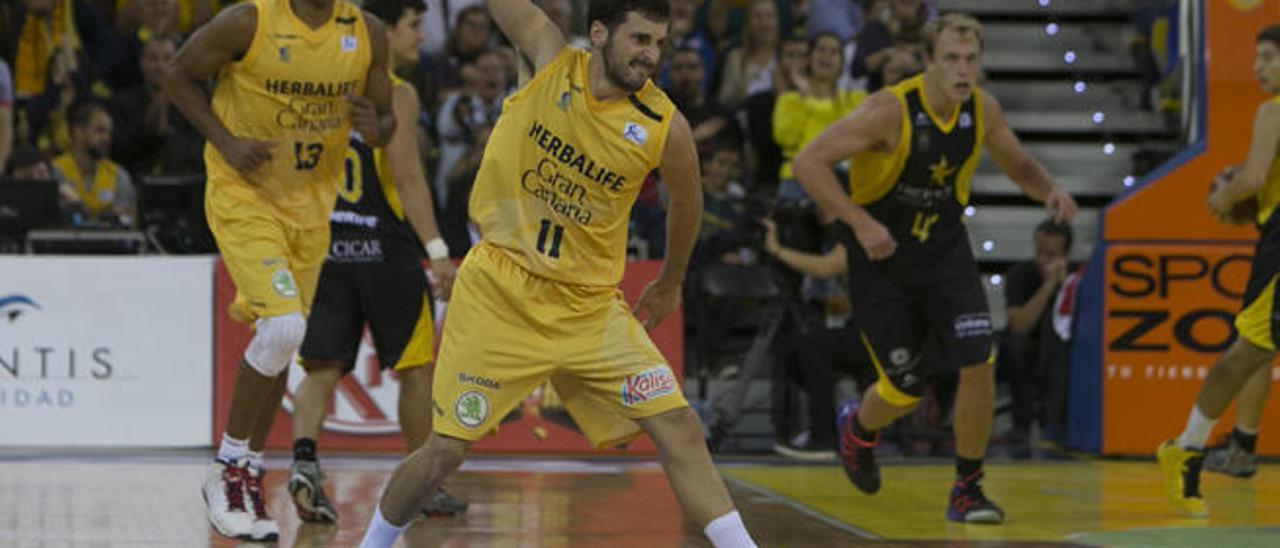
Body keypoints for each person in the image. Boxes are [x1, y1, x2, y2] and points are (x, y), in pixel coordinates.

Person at [358, 0, 757, 546]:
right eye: (640, 40)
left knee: (680, 425)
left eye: (660, 44)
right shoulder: (548, 56)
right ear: (598, 33)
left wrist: (670, 281)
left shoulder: (665, 124)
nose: (651, 55)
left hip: (588, 308)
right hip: (501, 289)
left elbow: (686, 203)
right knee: (444, 450)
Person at [792, 13, 1077, 524]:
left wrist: (1050, 189)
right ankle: (857, 429)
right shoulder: (889, 111)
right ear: (927, 61)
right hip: (882, 261)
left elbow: (1019, 165)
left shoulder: (983, 109)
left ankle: (968, 487)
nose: (962, 70)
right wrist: (858, 222)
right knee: (903, 388)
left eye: (971, 60)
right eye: (950, 59)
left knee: (978, 361)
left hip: (944, 252)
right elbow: (809, 163)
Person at [164, 0, 394, 541]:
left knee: (280, 341)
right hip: (244, 194)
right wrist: (224, 141)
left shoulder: (367, 32)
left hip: (312, 209)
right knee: (286, 327)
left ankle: (246, 474)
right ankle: (226, 471)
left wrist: (376, 125)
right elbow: (176, 75)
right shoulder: (250, 20)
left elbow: (387, 120)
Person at [286, 0, 467, 524]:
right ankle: (425, 485)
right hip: (386, 249)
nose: (421, 37)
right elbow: (408, 177)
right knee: (414, 369)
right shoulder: (397, 93)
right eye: (412, 27)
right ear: (382, 32)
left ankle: (303, 461)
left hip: (327, 244)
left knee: (320, 367)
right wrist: (436, 251)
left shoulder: (319, 83)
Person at [1158, 24, 1280, 517]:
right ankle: (1186, 448)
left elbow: (1251, 180)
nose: (1257, 66)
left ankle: (1195, 447)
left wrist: (1226, 194)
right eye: (1258, 57)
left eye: (1269, 57)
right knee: (1248, 353)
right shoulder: (1272, 111)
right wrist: (1225, 196)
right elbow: (1251, 179)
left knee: (1251, 354)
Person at [1000, 220, 1073, 444]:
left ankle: (1059, 423)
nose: (1043, 259)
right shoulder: (1020, 274)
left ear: (1065, 254)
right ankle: (1020, 424)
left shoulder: (1076, 279)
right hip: (1024, 349)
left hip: (1062, 349)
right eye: (1040, 252)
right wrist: (1048, 286)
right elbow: (1020, 325)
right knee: (1017, 346)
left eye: (1051, 254)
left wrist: (1064, 286)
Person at [51, 101, 136, 227]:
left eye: (109, 133)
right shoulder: (55, 172)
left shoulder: (118, 176)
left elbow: (126, 222)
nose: (107, 138)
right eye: (99, 130)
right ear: (78, 132)